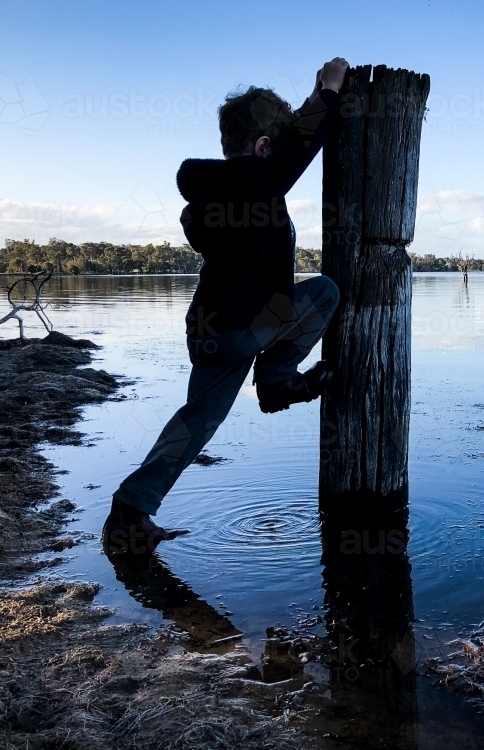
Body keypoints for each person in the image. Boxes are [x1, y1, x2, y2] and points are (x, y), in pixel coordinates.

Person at [103, 57, 349, 556]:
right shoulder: (256, 185)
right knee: (324, 291)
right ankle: (278, 379)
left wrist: (300, 107)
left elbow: (280, 151)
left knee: (197, 421)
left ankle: (129, 512)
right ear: (262, 149)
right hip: (247, 326)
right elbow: (298, 150)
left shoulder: (218, 193)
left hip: (210, 330)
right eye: (272, 150)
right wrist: (327, 93)